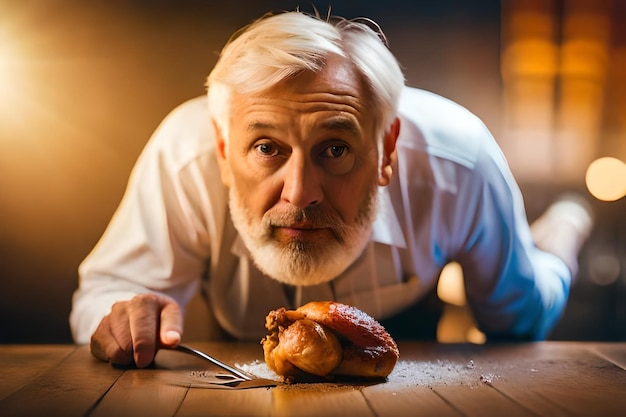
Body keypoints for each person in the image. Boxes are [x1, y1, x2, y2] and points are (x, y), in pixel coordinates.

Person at [70, 10, 593, 368]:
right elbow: (107, 291)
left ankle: (565, 224)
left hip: (446, 307)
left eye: (336, 149)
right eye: (267, 148)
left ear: (387, 151)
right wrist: (122, 317)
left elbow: (520, 321)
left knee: (535, 286)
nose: (299, 195)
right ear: (224, 152)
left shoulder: (458, 163)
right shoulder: (183, 160)